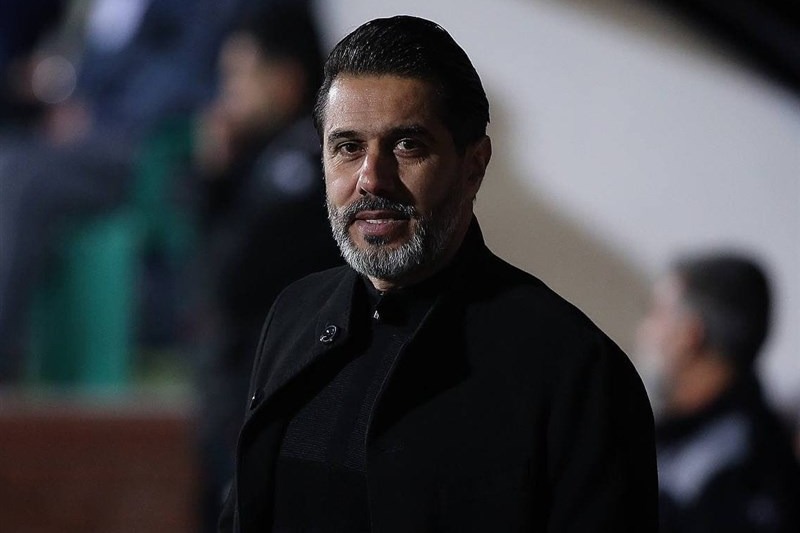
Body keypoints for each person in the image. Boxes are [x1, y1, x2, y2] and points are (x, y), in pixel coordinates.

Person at [219, 15, 658, 533]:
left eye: (407, 145)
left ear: (474, 165)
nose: (371, 179)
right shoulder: (294, 316)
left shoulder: (573, 369)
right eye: (348, 147)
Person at [189, 3, 342, 531]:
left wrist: (216, 180)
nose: (226, 95)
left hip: (280, 401)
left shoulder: (310, 165)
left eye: (239, 77)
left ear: (286, 80)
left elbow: (232, 280)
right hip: (243, 393)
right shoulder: (263, 158)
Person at [637, 252, 800, 533]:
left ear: (689, 336)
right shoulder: (679, 430)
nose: (645, 330)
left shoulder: (741, 471)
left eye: (658, 313)